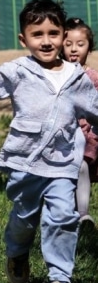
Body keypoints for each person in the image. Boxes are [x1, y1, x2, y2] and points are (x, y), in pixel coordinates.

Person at [0, 0, 98, 283]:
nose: (46, 41)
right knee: (25, 217)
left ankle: (59, 281)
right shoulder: (19, 70)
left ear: (62, 35)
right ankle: (17, 252)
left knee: (63, 217)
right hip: (25, 163)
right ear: (23, 39)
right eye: (38, 34)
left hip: (62, 164)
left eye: (53, 33)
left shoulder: (76, 77)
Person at [63, 17, 97, 230]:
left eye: (80, 44)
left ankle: (83, 215)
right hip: (61, 135)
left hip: (86, 136)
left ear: (89, 47)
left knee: (81, 166)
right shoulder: (56, 72)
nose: (74, 49)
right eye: (68, 44)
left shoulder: (92, 76)